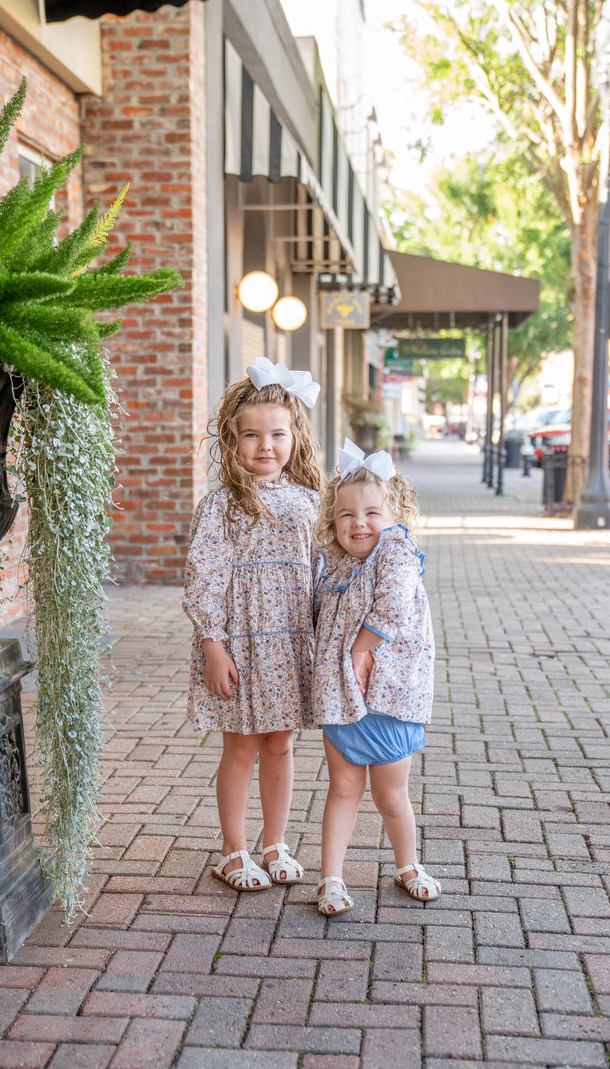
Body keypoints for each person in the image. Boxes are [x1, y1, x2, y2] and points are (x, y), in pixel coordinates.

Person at [183, 356, 322, 891]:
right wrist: (212, 644)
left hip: (289, 645)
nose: (266, 446)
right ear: (232, 439)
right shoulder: (221, 504)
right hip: (238, 644)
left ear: (295, 438)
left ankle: (275, 841)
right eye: (252, 436)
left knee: (280, 743)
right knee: (240, 744)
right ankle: (233, 848)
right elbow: (205, 575)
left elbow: (322, 576)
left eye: (277, 435)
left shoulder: (313, 503)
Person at [312, 438, 439, 915]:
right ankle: (331, 878)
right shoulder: (336, 562)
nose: (358, 523)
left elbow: (394, 603)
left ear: (394, 516)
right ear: (333, 521)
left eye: (371, 513)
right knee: (342, 789)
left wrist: (362, 649)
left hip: (390, 697)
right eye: (346, 515)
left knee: (391, 795)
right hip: (341, 696)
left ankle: (407, 865)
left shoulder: (397, 552)